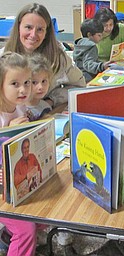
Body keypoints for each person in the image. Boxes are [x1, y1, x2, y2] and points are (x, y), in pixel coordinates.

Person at [0, 3, 86, 109]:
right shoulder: (3, 59)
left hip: (46, 115)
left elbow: (79, 85)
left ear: (46, 32)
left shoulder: (58, 57)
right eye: (28, 27)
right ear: (18, 27)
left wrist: (52, 100)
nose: (33, 34)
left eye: (40, 29)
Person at [0, 51, 42, 256]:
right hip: (3, 187)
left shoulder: (20, 107)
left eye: (27, 82)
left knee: (44, 214)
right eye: (15, 84)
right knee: (26, 229)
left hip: (17, 180)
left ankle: (8, 237)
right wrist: (8, 131)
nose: (24, 89)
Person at [73, 18, 109, 83]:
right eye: (99, 35)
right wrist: (102, 66)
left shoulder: (80, 44)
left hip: (78, 76)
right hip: (88, 78)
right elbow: (87, 64)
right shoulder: (91, 46)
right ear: (89, 35)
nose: (101, 38)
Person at [26, 53, 53, 121]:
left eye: (44, 81)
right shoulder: (18, 109)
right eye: (34, 82)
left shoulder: (46, 107)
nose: (41, 87)